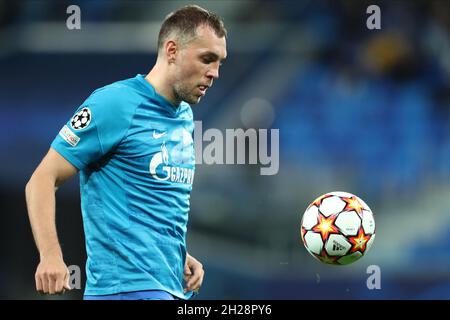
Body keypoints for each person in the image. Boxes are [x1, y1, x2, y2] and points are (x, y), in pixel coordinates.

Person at [25, 4, 227, 300]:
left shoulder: (183, 116)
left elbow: (150, 204)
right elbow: (42, 179)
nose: (215, 73)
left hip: (169, 288)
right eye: (207, 59)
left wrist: (177, 256)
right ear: (172, 51)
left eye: (220, 62)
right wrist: (51, 255)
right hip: (124, 290)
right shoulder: (115, 104)